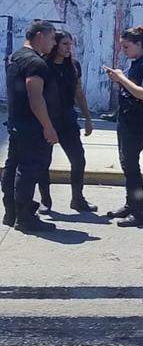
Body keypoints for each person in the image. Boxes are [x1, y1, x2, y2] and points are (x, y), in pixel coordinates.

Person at [1, 20, 59, 232]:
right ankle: (24, 217)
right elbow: (35, 96)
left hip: (17, 124)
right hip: (32, 128)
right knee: (29, 170)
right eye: (52, 38)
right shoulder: (36, 63)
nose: (54, 43)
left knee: (13, 167)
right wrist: (48, 126)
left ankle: (11, 213)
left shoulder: (15, 56)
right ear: (40, 36)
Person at [103, 26, 143, 227]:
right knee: (126, 164)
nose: (124, 50)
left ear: (138, 44)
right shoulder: (135, 63)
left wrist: (121, 78)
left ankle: (139, 212)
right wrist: (118, 77)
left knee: (132, 166)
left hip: (137, 119)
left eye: (127, 46)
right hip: (126, 117)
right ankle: (130, 204)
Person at [37, 31, 98, 214]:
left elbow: (79, 92)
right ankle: (45, 200)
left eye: (70, 44)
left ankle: (77, 199)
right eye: (64, 44)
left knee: (78, 159)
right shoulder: (43, 66)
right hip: (47, 119)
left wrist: (88, 118)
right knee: (43, 161)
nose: (68, 48)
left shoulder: (73, 66)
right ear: (55, 45)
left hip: (68, 119)